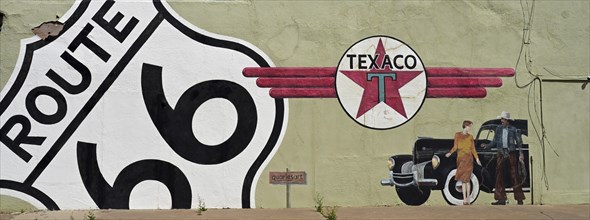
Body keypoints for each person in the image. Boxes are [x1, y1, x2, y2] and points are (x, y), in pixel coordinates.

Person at [481, 111, 525, 205]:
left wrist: (521, 153)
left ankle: (519, 198)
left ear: (507, 120)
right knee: (499, 174)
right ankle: (501, 199)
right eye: (501, 119)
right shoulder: (498, 129)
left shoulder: (514, 129)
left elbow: (519, 142)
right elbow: (494, 141)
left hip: (511, 152)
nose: (501, 121)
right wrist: (487, 146)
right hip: (501, 152)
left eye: (503, 119)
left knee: (514, 174)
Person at [445, 120, 481, 205]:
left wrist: (477, 159)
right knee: (463, 181)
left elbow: (473, 149)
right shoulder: (457, 135)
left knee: (467, 180)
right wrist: (450, 153)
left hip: (469, 160)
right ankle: (464, 198)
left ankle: (467, 199)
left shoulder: (470, 137)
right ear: (466, 126)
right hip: (461, 160)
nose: (470, 129)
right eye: (469, 127)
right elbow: (455, 147)